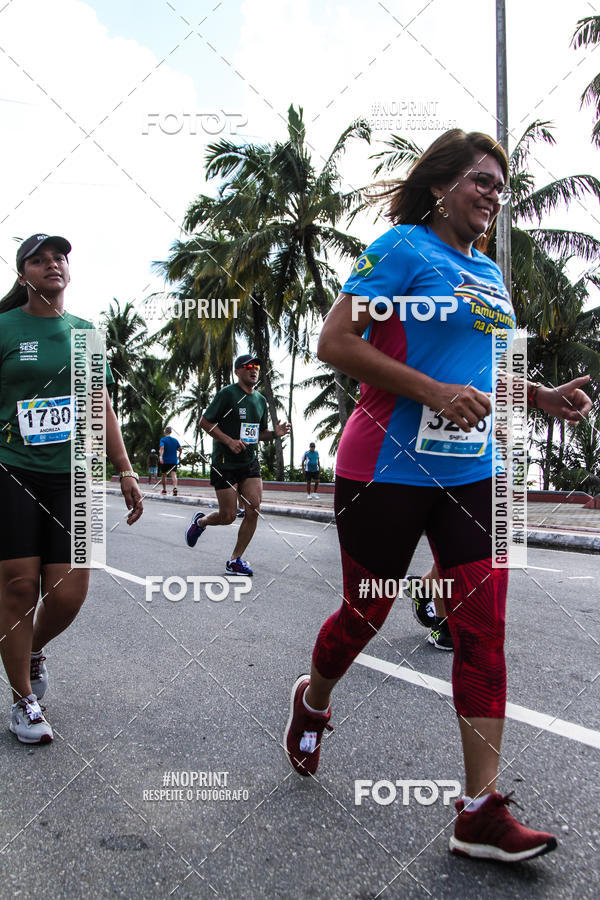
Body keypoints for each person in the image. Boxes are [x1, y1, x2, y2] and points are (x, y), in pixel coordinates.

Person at [282, 130, 592, 862]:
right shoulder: (400, 250)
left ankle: (479, 810)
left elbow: (484, 374)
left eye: (499, 185)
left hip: (473, 473)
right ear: (439, 187)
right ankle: (313, 698)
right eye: (480, 180)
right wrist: (433, 392)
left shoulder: (489, 276)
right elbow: (334, 342)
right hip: (384, 467)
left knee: (482, 629)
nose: (491, 193)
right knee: (367, 611)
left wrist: (538, 393)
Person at [0, 233, 143, 744]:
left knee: (69, 593)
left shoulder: (86, 334)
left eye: (58, 258)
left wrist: (124, 468)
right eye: (37, 260)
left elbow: (100, 404)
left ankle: (31, 649)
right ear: (23, 275)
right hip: (12, 467)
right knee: (19, 584)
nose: (51, 265)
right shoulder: (4, 328)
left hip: (76, 475)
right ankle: (23, 700)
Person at [185, 354, 291, 575]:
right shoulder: (227, 394)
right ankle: (201, 522)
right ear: (238, 371)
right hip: (224, 463)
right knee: (228, 516)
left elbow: (258, 434)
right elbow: (204, 422)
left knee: (253, 509)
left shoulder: (260, 400)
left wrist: (275, 433)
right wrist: (229, 441)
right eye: (248, 366)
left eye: (256, 367)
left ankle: (235, 560)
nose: (254, 370)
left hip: (249, 462)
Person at [159, 426, 181, 495]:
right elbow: (180, 448)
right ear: (171, 432)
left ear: (165, 432)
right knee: (174, 474)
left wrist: (161, 457)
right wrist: (179, 456)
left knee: (164, 475)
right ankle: (175, 487)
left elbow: (162, 447)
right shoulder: (175, 440)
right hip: (174, 460)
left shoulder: (163, 440)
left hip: (165, 460)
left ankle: (164, 490)